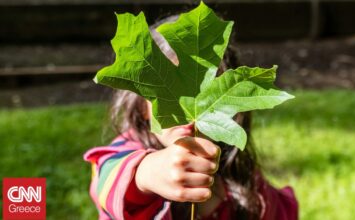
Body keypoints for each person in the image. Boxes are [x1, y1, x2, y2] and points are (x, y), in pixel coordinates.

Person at [84, 16, 298, 220]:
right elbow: (108, 180)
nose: (187, 114)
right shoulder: (125, 152)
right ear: (142, 107)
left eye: (204, 96)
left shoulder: (239, 174)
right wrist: (147, 174)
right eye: (171, 96)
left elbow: (278, 211)